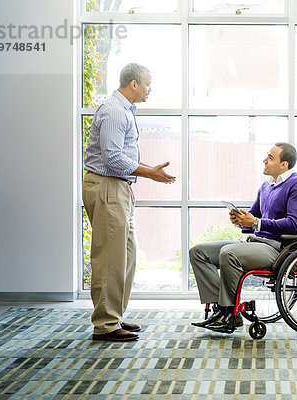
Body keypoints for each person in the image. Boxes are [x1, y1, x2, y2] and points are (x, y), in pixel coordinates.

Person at [83, 63, 176, 341]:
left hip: (118, 187)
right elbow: (112, 158)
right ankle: (105, 324)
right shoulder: (114, 111)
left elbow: (122, 157)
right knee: (109, 257)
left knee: (125, 255)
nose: (150, 89)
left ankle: (114, 316)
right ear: (133, 84)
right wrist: (149, 173)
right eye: (147, 83)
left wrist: (150, 171)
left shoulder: (123, 110)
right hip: (108, 186)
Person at [189, 143, 297, 333]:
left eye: (271, 157)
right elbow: (253, 217)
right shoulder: (266, 186)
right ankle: (220, 308)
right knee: (198, 252)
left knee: (229, 253)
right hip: (256, 243)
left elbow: (293, 224)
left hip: (279, 248)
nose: (265, 160)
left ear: (284, 165)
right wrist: (239, 220)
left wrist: (255, 223)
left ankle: (231, 313)